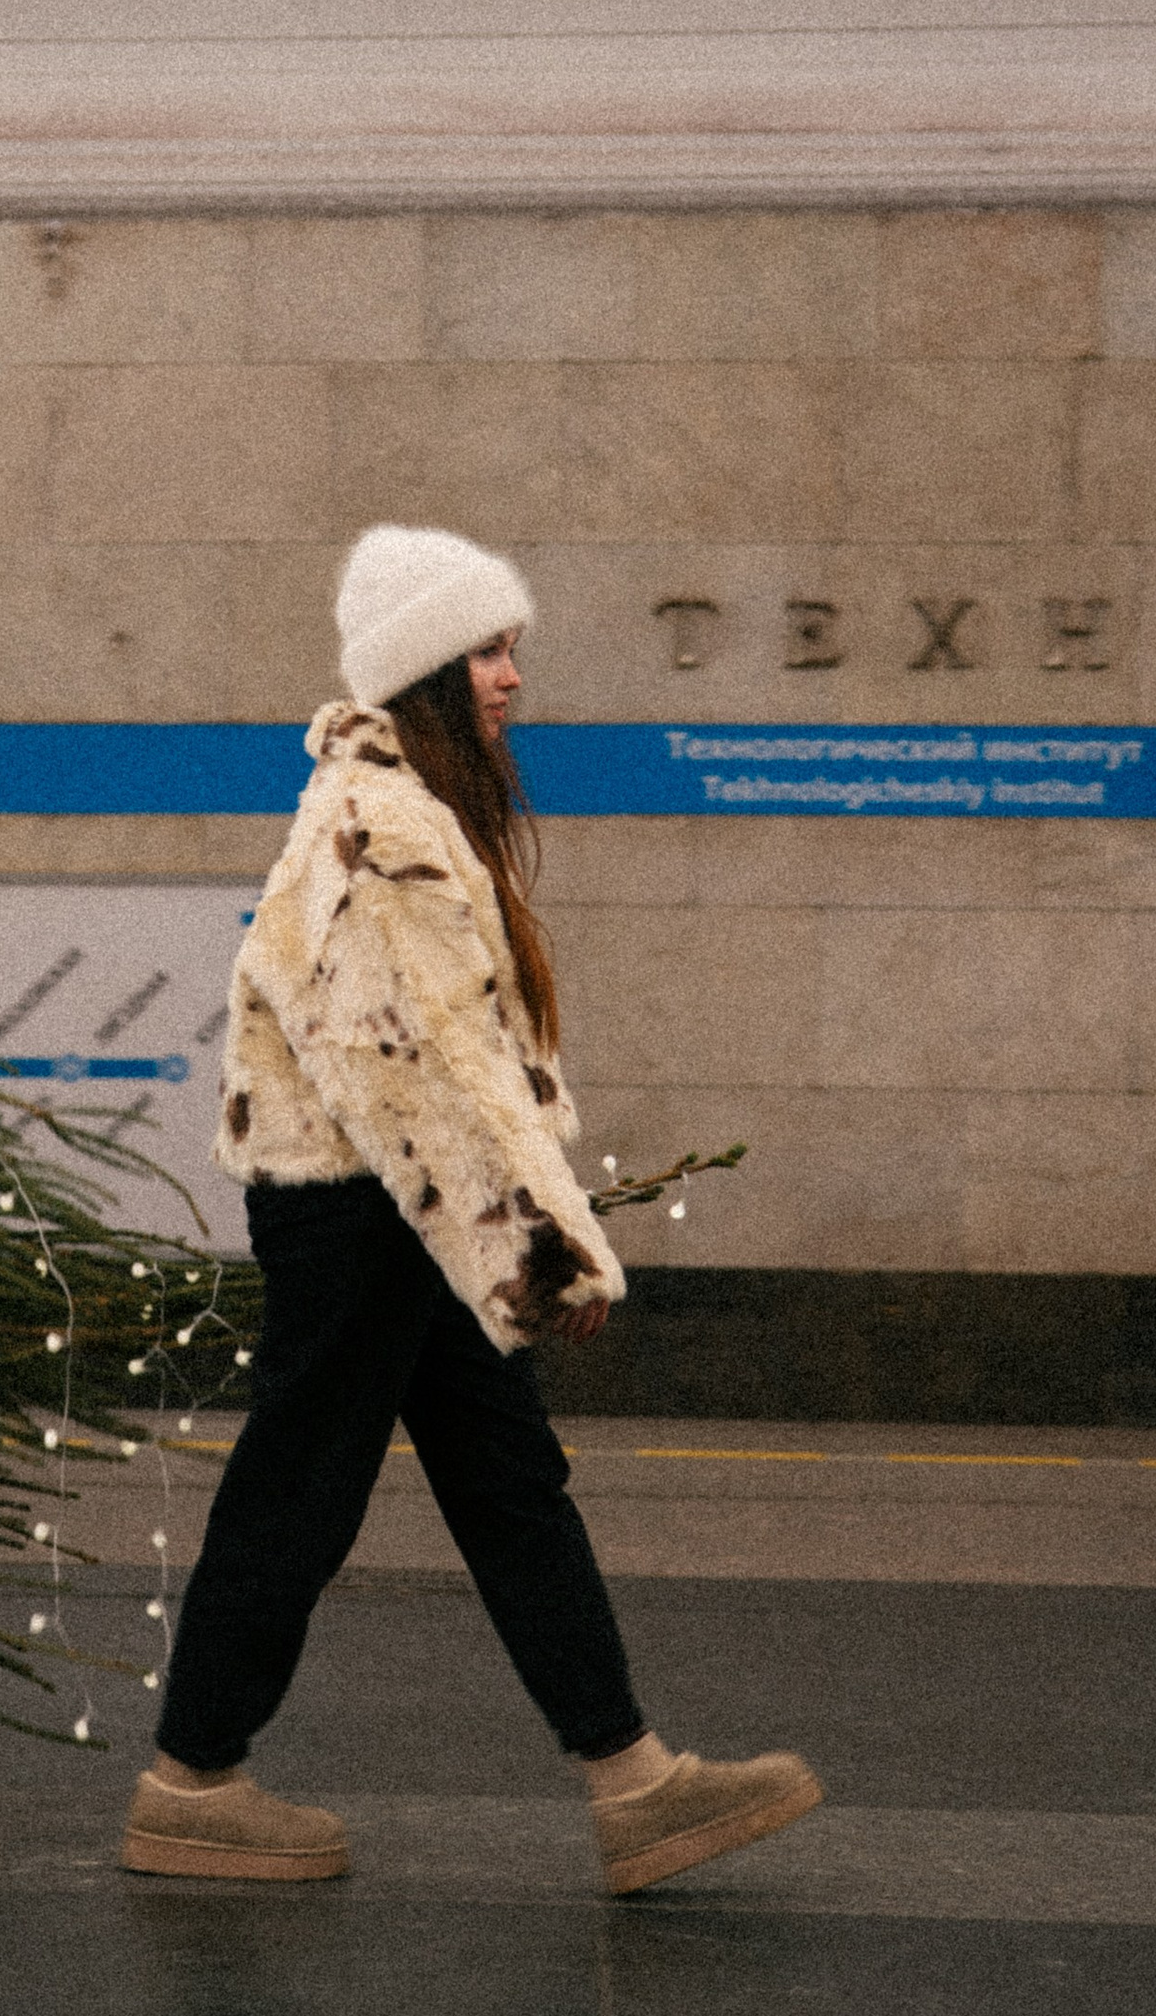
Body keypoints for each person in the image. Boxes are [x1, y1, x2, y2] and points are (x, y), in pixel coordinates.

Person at [123, 522, 819, 1895]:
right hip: (372, 1209)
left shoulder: (399, 807)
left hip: (395, 1207)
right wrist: (546, 1250)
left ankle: (632, 1783)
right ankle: (193, 1782)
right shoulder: (383, 825)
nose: (512, 678)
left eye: (512, 651)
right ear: (429, 671)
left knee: (503, 1484)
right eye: (490, 652)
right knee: (304, 1490)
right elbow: (428, 1071)